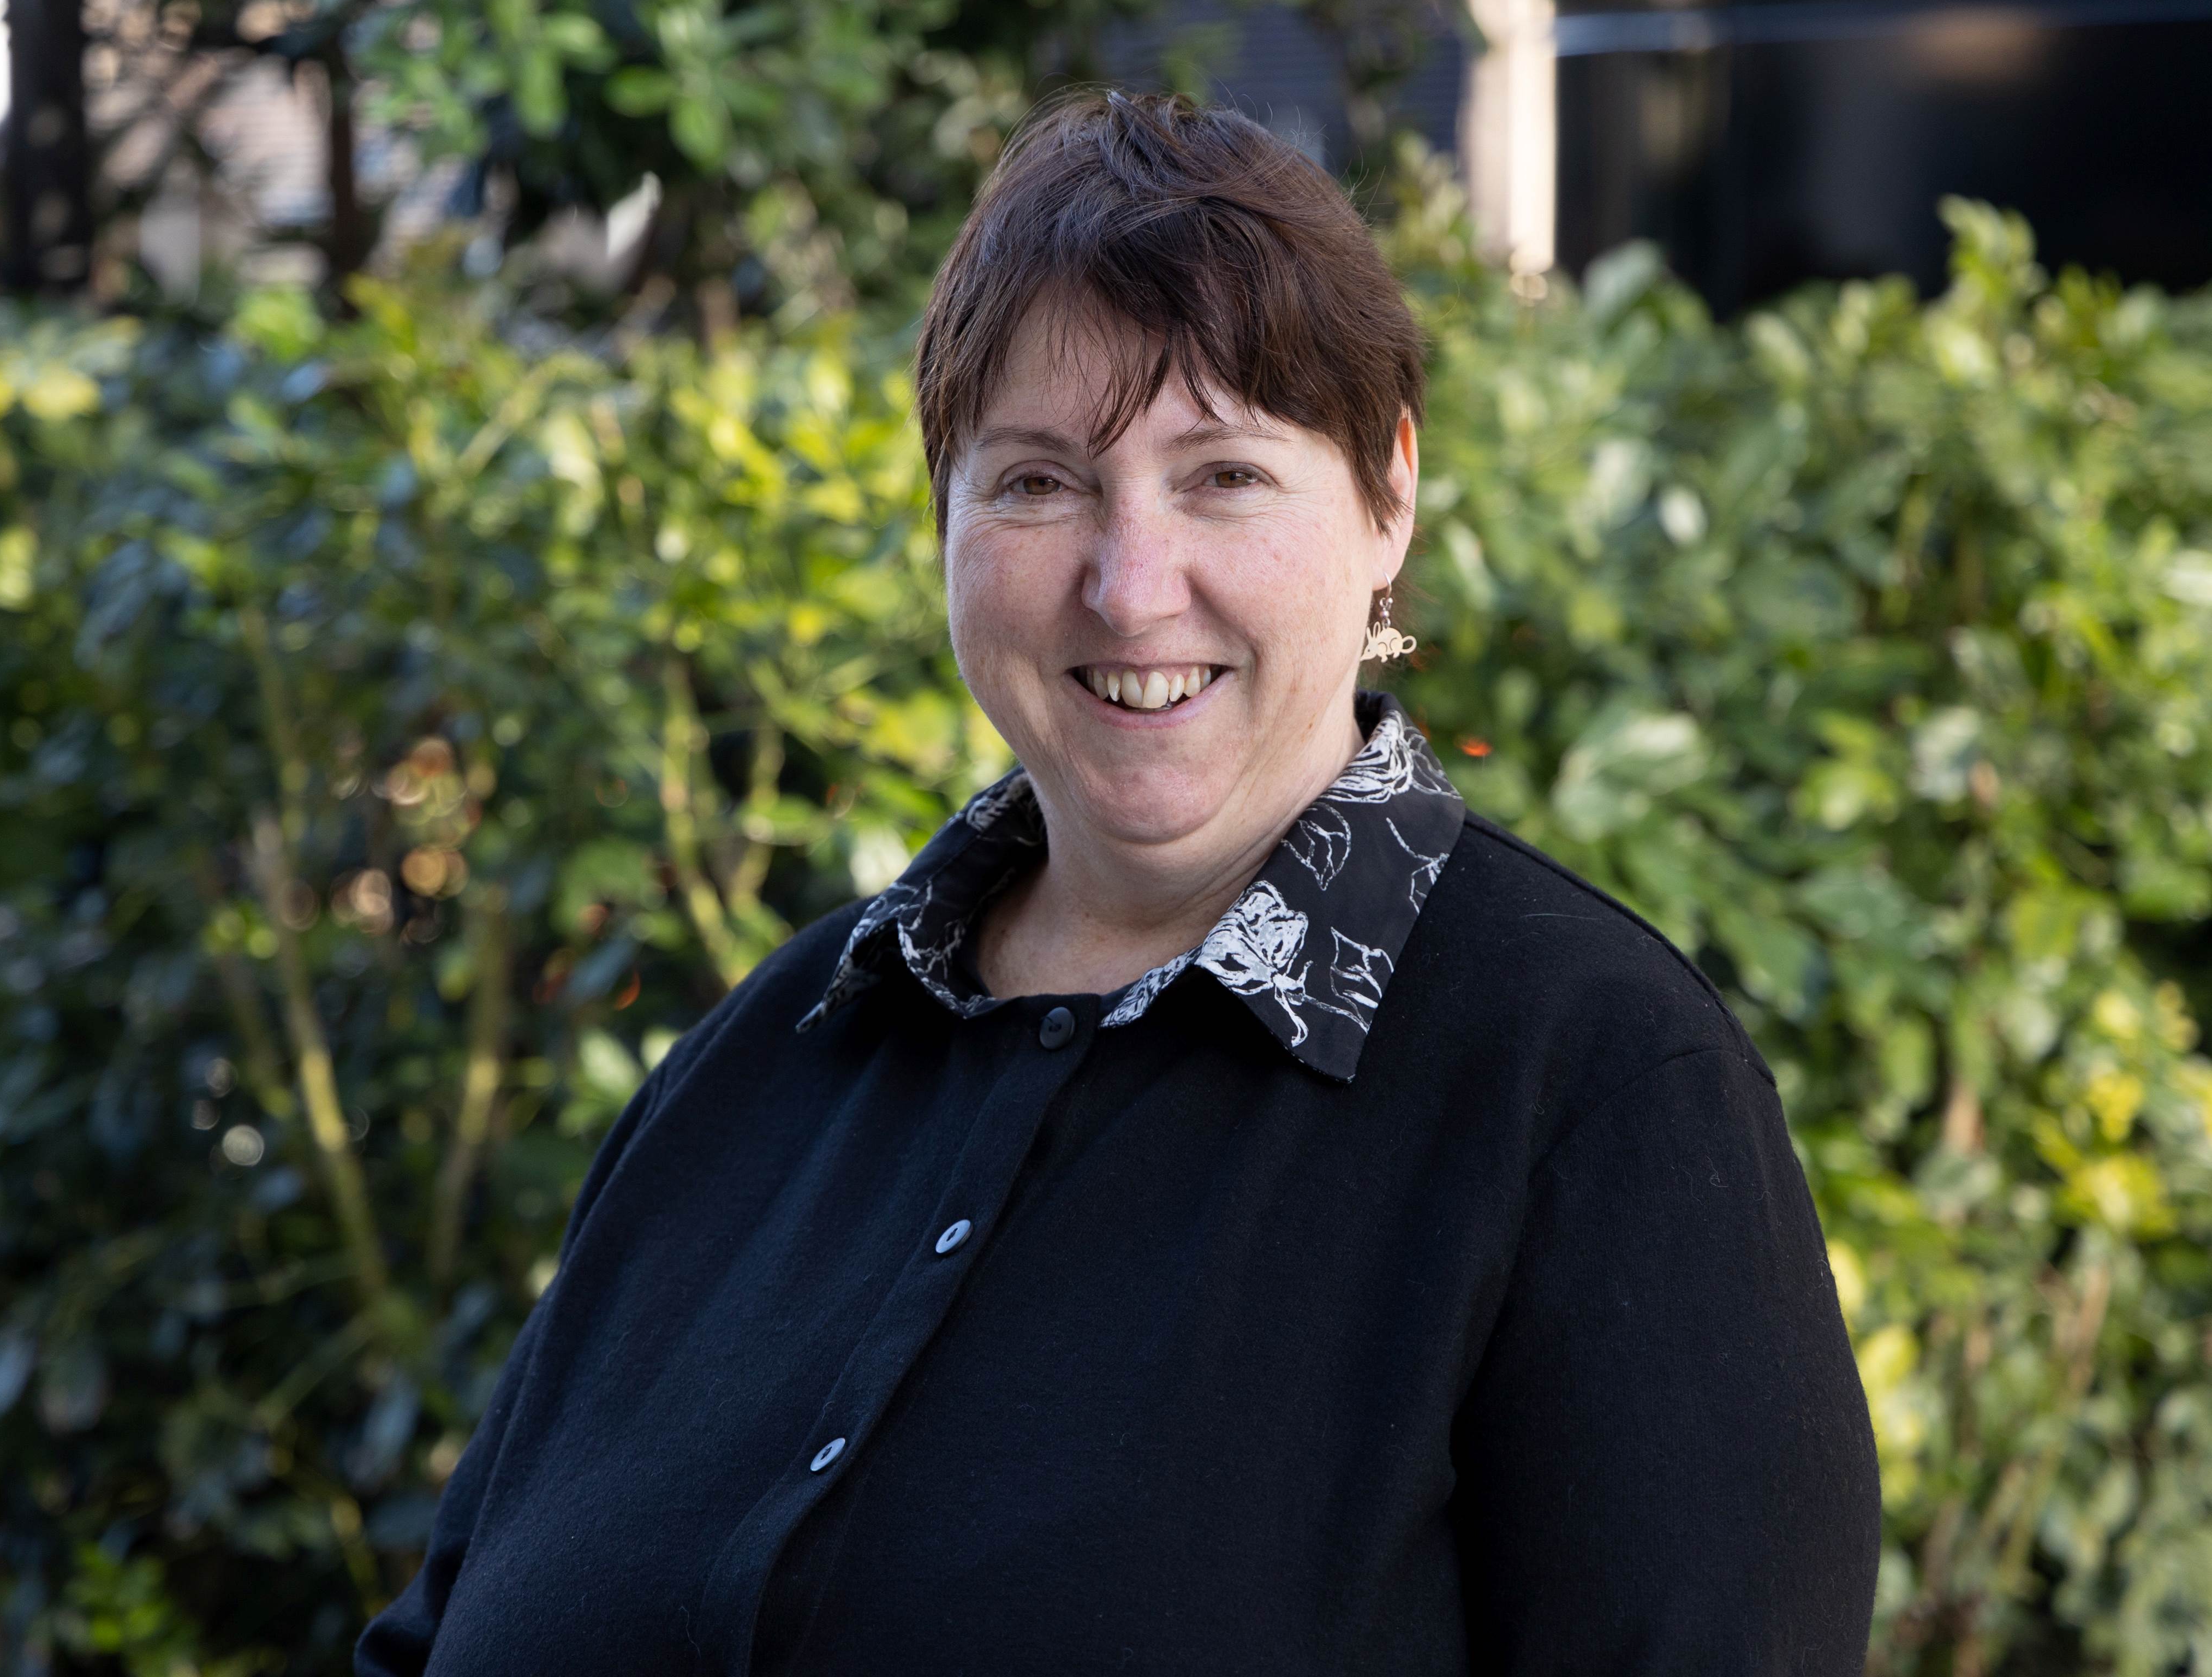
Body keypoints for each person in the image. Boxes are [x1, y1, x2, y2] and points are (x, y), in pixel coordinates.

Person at [356, 90, 1880, 1676]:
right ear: (944, 509)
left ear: (1388, 493)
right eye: (1038, 482)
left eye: (1220, 475)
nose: (1130, 585)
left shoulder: (1595, 1087)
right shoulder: (770, 1057)